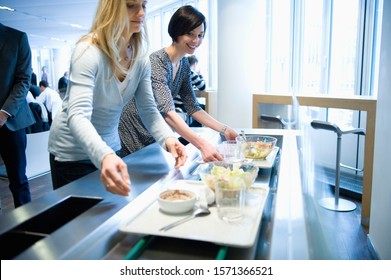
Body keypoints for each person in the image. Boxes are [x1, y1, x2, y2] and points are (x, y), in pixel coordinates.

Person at [48, 0, 187, 195]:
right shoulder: (89, 51)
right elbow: (77, 115)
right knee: (81, 222)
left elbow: (148, 109)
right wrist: (104, 155)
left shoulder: (140, 58)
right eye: (131, 5)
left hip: (110, 149)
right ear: (111, 9)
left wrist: (168, 138)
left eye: (144, 5)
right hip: (73, 154)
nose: (140, 13)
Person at [119, 5, 238, 162]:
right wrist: (202, 145)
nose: (196, 40)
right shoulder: (157, 62)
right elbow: (167, 112)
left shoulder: (183, 65)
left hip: (154, 133)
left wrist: (225, 129)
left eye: (200, 35)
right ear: (177, 31)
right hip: (131, 132)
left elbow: (192, 106)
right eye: (190, 34)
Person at [0, 23, 36, 207]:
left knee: (18, 180)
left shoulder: (17, 38)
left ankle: (25, 228)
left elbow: (23, 80)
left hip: (10, 121)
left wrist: (4, 113)